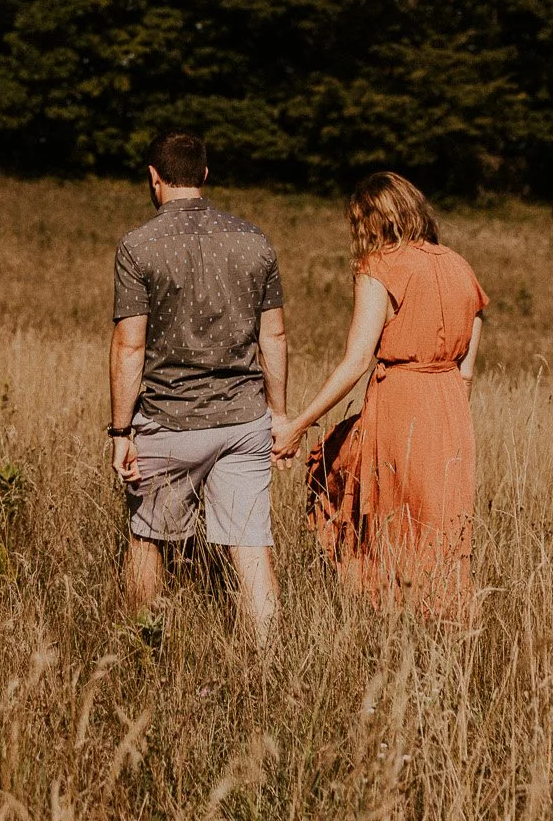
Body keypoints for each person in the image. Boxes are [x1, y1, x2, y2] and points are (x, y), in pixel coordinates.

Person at [272, 172, 486, 619]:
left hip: (401, 404)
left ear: (371, 222)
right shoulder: (460, 267)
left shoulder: (380, 266)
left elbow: (356, 362)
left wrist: (298, 424)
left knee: (370, 508)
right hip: (450, 411)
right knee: (439, 532)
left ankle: (383, 621)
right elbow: (466, 372)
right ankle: (441, 634)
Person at [108, 130, 288, 644]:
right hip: (245, 421)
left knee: (148, 539)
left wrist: (122, 430)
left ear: (154, 177)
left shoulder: (137, 246)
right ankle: (268, 663)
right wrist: (277, 414)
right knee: (251, 549)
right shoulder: (255, 241)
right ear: (205, 176)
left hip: (169, 421)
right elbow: (272, 334)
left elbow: (129, 347)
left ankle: (140, 652)